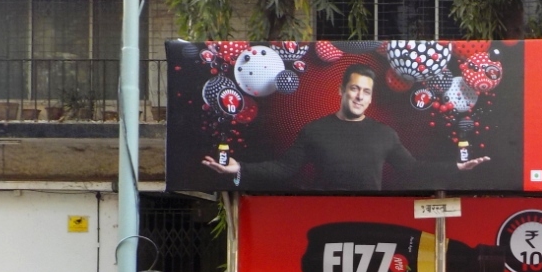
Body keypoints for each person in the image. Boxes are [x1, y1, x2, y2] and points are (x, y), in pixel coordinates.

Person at [201, 64, 489, 190]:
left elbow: (413, 169)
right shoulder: (314, 130)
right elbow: (284, 169)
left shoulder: (385, 134)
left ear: (371, 96)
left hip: (371, 217)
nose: (360, 96)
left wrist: (456, 168)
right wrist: (240, 169)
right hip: (324, 214)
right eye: (354, 89)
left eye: (366, 92)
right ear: (342, 90)